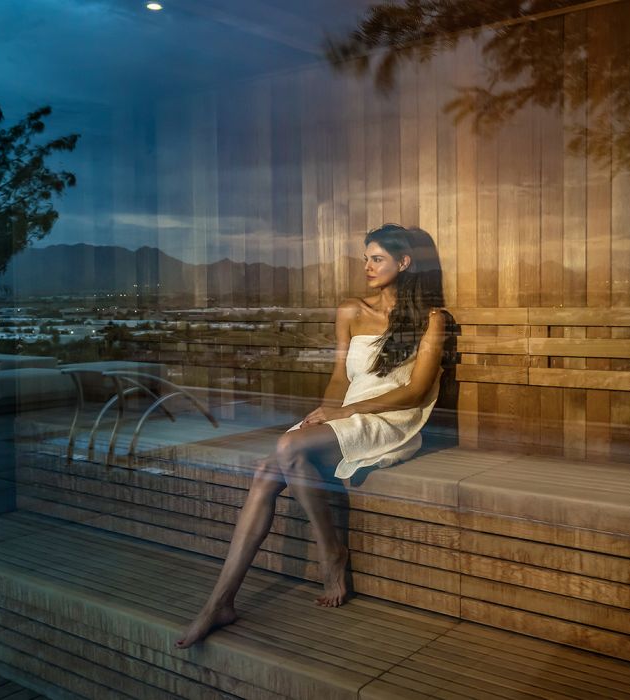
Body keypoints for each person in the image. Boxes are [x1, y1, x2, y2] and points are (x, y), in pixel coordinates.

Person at [175, 223, 447, 648]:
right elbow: (340, 379)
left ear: (404, 262)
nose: (368, 266)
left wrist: (345, 412)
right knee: (271, 467)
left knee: (284, 452)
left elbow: (414, 390)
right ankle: (220, 601)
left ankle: (328, 554)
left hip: (389, 419)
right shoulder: (351, 310)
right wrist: (321, 417)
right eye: (366, 258)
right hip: (348, 413)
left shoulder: (432, 319)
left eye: (377, 258)